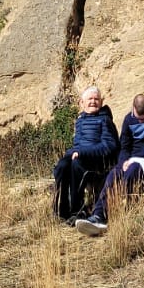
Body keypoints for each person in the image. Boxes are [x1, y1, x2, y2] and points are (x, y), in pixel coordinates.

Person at [73, 93, 144, 235]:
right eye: (137, 118)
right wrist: (123, 162)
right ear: (133, 108)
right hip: (131, 159)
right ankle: (98, 215)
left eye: (143, 119)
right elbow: (125, 147)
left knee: (132, 172)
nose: (140, 121)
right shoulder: (129, 119)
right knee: (113, 175)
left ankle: (118, 214)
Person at [52, 85, 119, 221]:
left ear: (101, 102)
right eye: (90, 99)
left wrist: (82, 152)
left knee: (76, 164)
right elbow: (77, 145)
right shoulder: (80, 120)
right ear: (82, 103)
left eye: (96, 99)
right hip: (81, 157)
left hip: (98, 162)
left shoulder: (105, 120)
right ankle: (61, 209)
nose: (93, 102)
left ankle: (77, 211)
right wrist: (71, 153)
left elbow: (109, 146)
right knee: (62, 166)